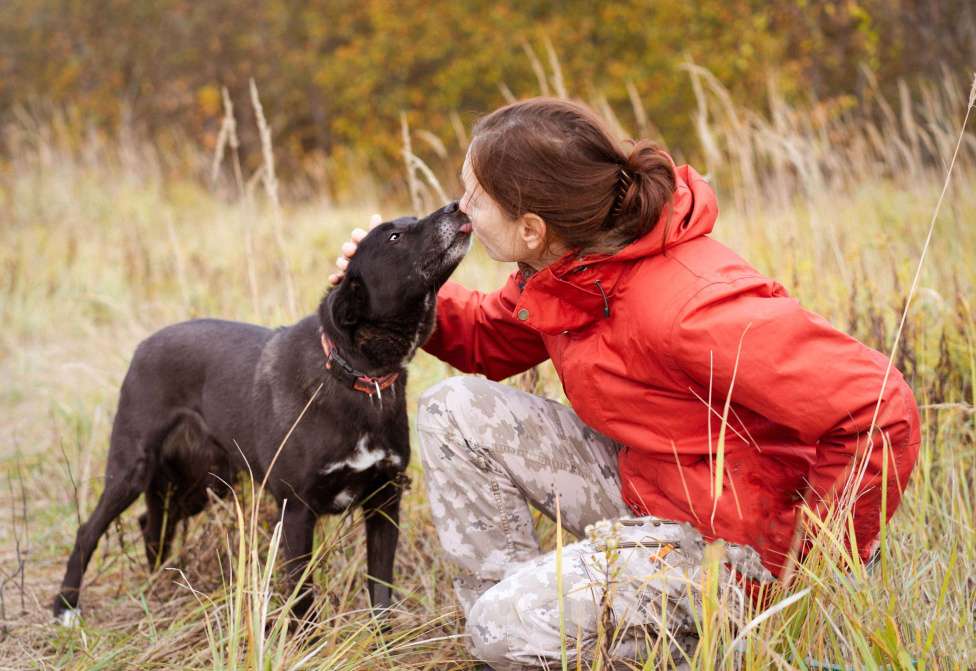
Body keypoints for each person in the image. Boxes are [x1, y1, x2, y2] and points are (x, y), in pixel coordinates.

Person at [330, 97, 920, 670]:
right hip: (655, 489)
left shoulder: (688, 306)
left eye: (476, 198)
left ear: (532, 228)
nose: (460, 209)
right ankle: (524, 640)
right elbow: (494, 337)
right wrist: (399, 294)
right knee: (453, 409)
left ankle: (710, 641)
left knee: (499, 626)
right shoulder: (569, 266)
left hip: (739, 550)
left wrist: (805, 573)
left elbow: (878, 407)